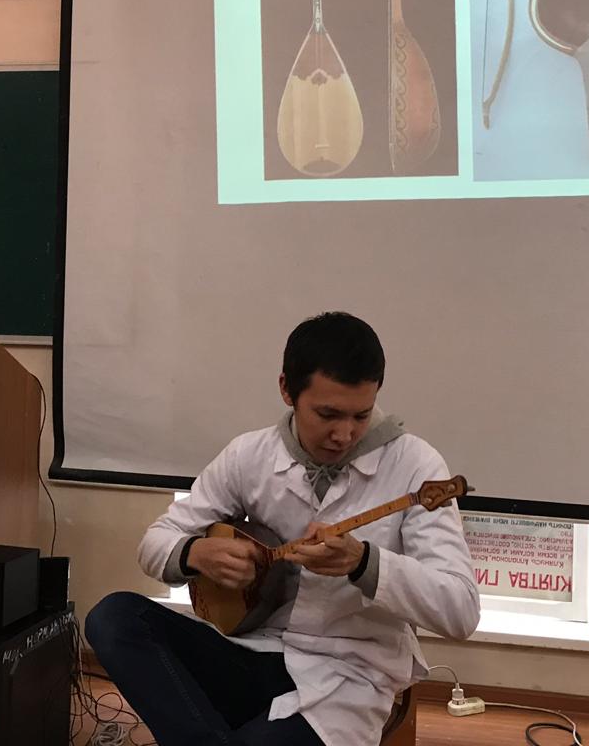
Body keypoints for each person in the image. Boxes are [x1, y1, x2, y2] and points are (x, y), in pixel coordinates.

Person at [85, 311, 480, 745]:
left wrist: (364, 563)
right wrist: (194, 554)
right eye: (327, 414)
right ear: (286, 389)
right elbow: (155, 543)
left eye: (361, 416)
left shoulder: (416, 467)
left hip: (346, 678)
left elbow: (460, 610)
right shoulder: (249, 455)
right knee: (114, 617)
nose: (344, 434)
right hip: (251, 651)